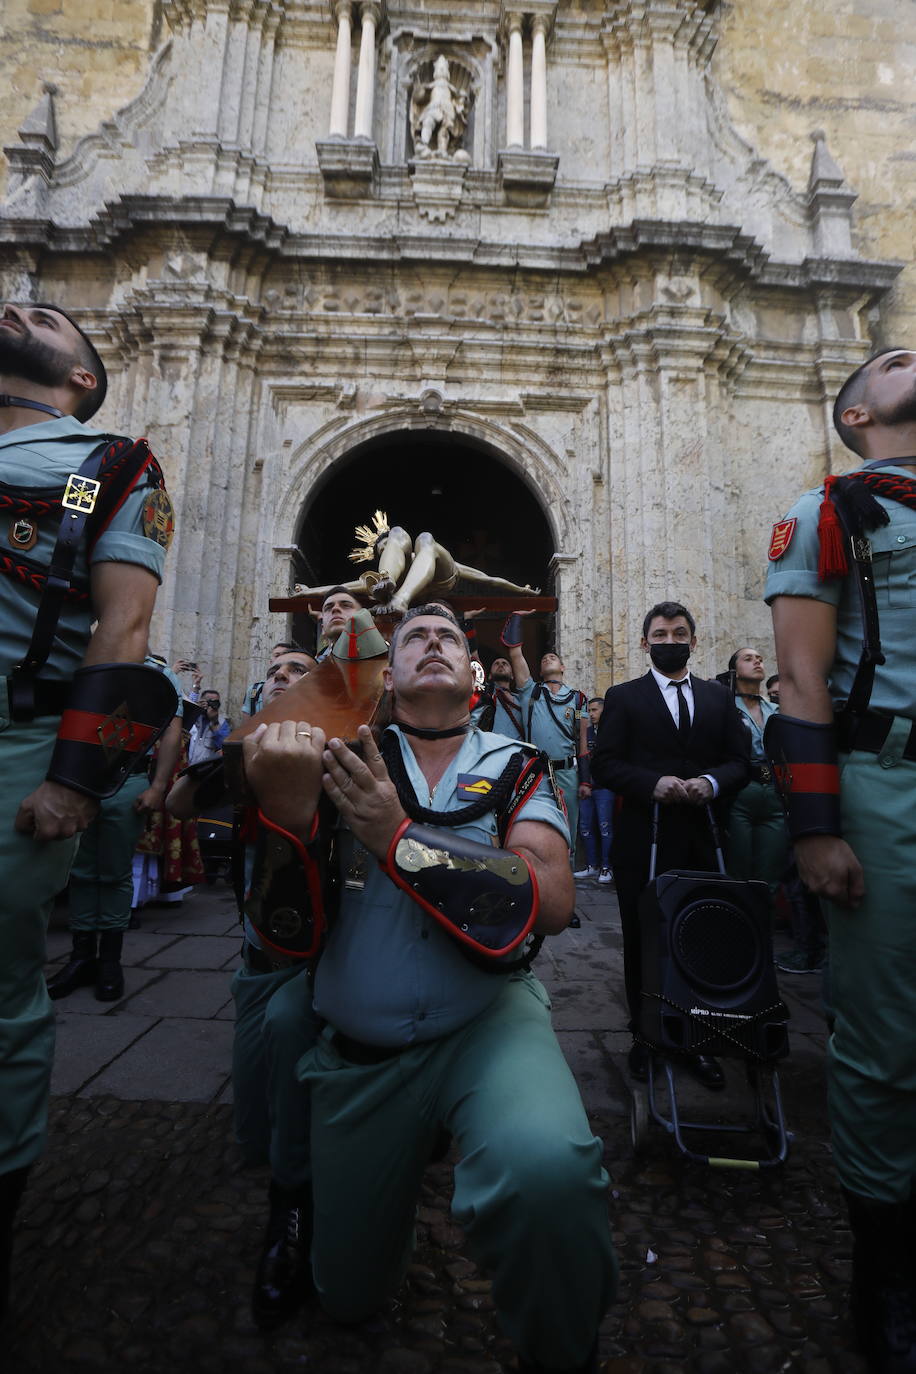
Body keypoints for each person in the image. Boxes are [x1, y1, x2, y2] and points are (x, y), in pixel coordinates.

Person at [240, 605, 616, 1373]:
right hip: (364, 1045)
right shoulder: (330, 752)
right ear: (391, 671)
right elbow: (285, 936)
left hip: (486, 1020)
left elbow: (550, 897)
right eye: (415, 636)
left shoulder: (517, 762)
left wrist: (396, 838)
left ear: (473, 667)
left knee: (548, 1171)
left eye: (449, 635)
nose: (435, 642)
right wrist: (284, 814)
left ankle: (566, 1350)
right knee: (348, 1297)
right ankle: (349, 1200)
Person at [0, 300, 174, 1316]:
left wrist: (71, 779)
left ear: (82, 380)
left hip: (15, 749)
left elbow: (125, 624)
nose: (24, 304)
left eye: (55, 319)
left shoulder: (100, 468)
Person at [765, 346, 916, 1372]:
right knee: (887, 1036)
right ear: (855, 415)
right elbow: (800, 680)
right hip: (889, 788)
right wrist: (817, 828)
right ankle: (889, 1270)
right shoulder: (827, 511)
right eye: (892, 361)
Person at [591, 600, 750, 1089]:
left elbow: (740, 761)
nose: (669, 643)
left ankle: (697, 1040)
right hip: (645, 839)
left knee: (703, 940)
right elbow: (605, 764)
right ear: (645, 643)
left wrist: (711, 781)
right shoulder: (624, 697)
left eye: (678, 634)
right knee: (644, 940)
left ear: (693, 641)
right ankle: (647, 1037)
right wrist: (650, 783)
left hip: (704, 840)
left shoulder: (718, 699)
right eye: (659, 636)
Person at [47, 655, 184, 1001]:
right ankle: (81, 958)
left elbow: (171, 731)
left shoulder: (160, 674)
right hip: (77, 779)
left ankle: (109, 961)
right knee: (80, 871)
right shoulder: (87, 659)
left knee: (114, 872)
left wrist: (157, 787)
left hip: (128, 779)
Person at [500, 614, 589, 858]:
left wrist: (585, 779)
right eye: (544, 658)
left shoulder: (579, 698)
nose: (548, 657)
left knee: (568, 830)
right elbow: (515, 654)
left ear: (562, 668)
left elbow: (582, 739)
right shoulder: (531, 691)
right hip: (537, 772)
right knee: (532, 823)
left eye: (554, 657)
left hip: (568, 774)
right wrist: (516, 617)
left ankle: (565, 879)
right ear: (539, 670)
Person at [723, 648, 786, 911]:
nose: (757, 661)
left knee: (770, 873)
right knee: (738, 870)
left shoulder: (776, 709)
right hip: (740, 791)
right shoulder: (725, 707)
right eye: (748, 658)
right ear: (735, 671)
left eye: (759, 658)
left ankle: (763, 940)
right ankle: (735, 938)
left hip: (774, 792)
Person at [574, 698, 614, 885]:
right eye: (589, 710)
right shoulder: (586, 733)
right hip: (586, 788)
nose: (591, 714)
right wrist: (584, 783)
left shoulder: (612, 733)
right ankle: (592, 866)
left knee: (605, 828)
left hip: (606, 788)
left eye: (595, 710)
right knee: (585, 828)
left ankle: (607, 867)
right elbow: (582, 760)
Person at [241, 641, 303, 717]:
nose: (281, 658)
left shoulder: (299, 687)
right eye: (277, 655)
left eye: (285, 654)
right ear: (271, 662)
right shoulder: (254, 690)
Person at [187, 688, 230, 763]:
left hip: (207, 769)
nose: (212, 705)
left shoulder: (222, 723)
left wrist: (214, 723)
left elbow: (225, 747)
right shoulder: (194, 718)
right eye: (209, 702)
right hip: (187, 766)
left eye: (215, 702)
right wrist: (196, 709)